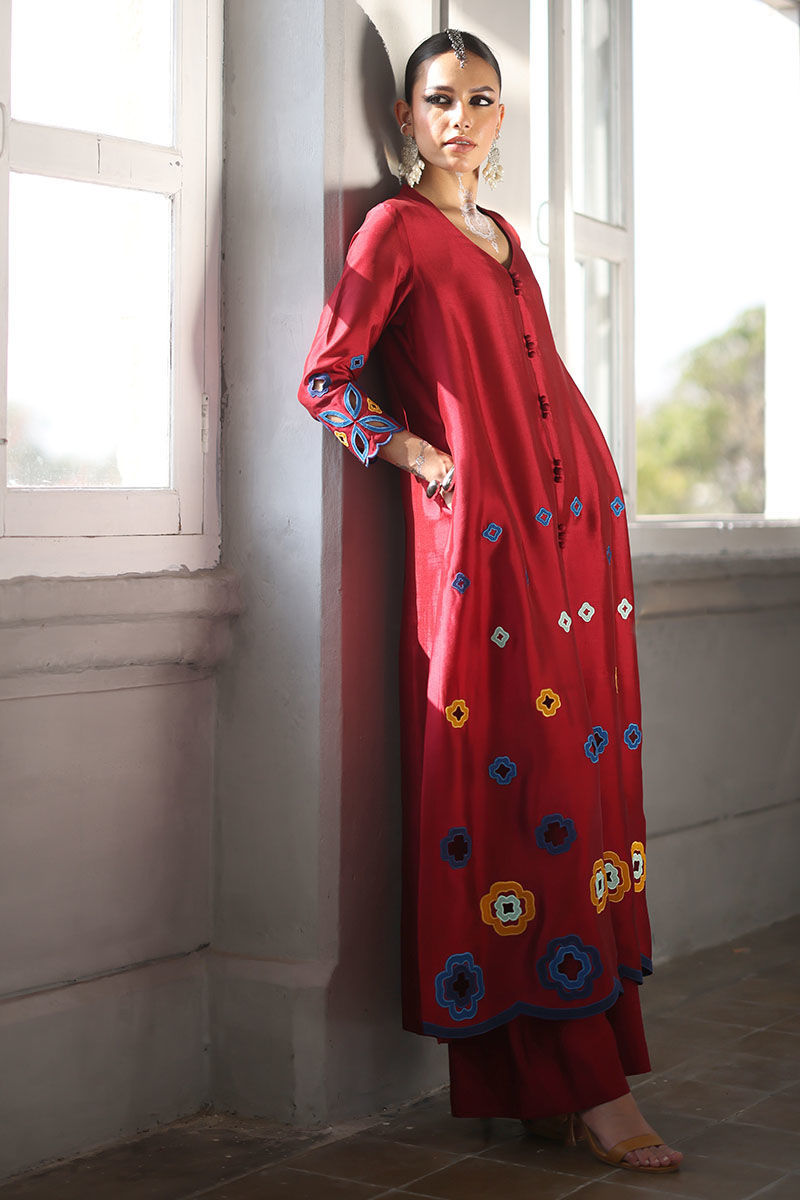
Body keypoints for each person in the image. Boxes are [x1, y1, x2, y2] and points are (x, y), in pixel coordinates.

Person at [298, 28, 683, 1175]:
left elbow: (536, 380)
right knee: (520, 791)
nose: (458, 118)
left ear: (498, 119)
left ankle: (554, 1085)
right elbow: (325, 378)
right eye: (437, 99)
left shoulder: (502, 235)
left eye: (478, 99)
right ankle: (587, 1087)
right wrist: (416, 453)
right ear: (404, 117)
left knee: (578, 791)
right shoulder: (393, 230)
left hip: (567, 546)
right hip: (479, 553)